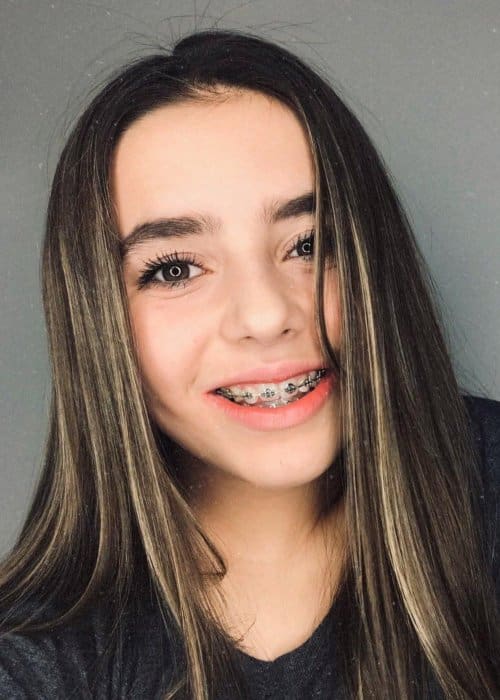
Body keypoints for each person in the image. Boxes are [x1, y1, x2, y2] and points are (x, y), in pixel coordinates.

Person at [0, 28, 499, 700]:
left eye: (309, 243)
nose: (265, 315)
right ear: (97, 322)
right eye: (175, 269)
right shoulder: (35, 658)